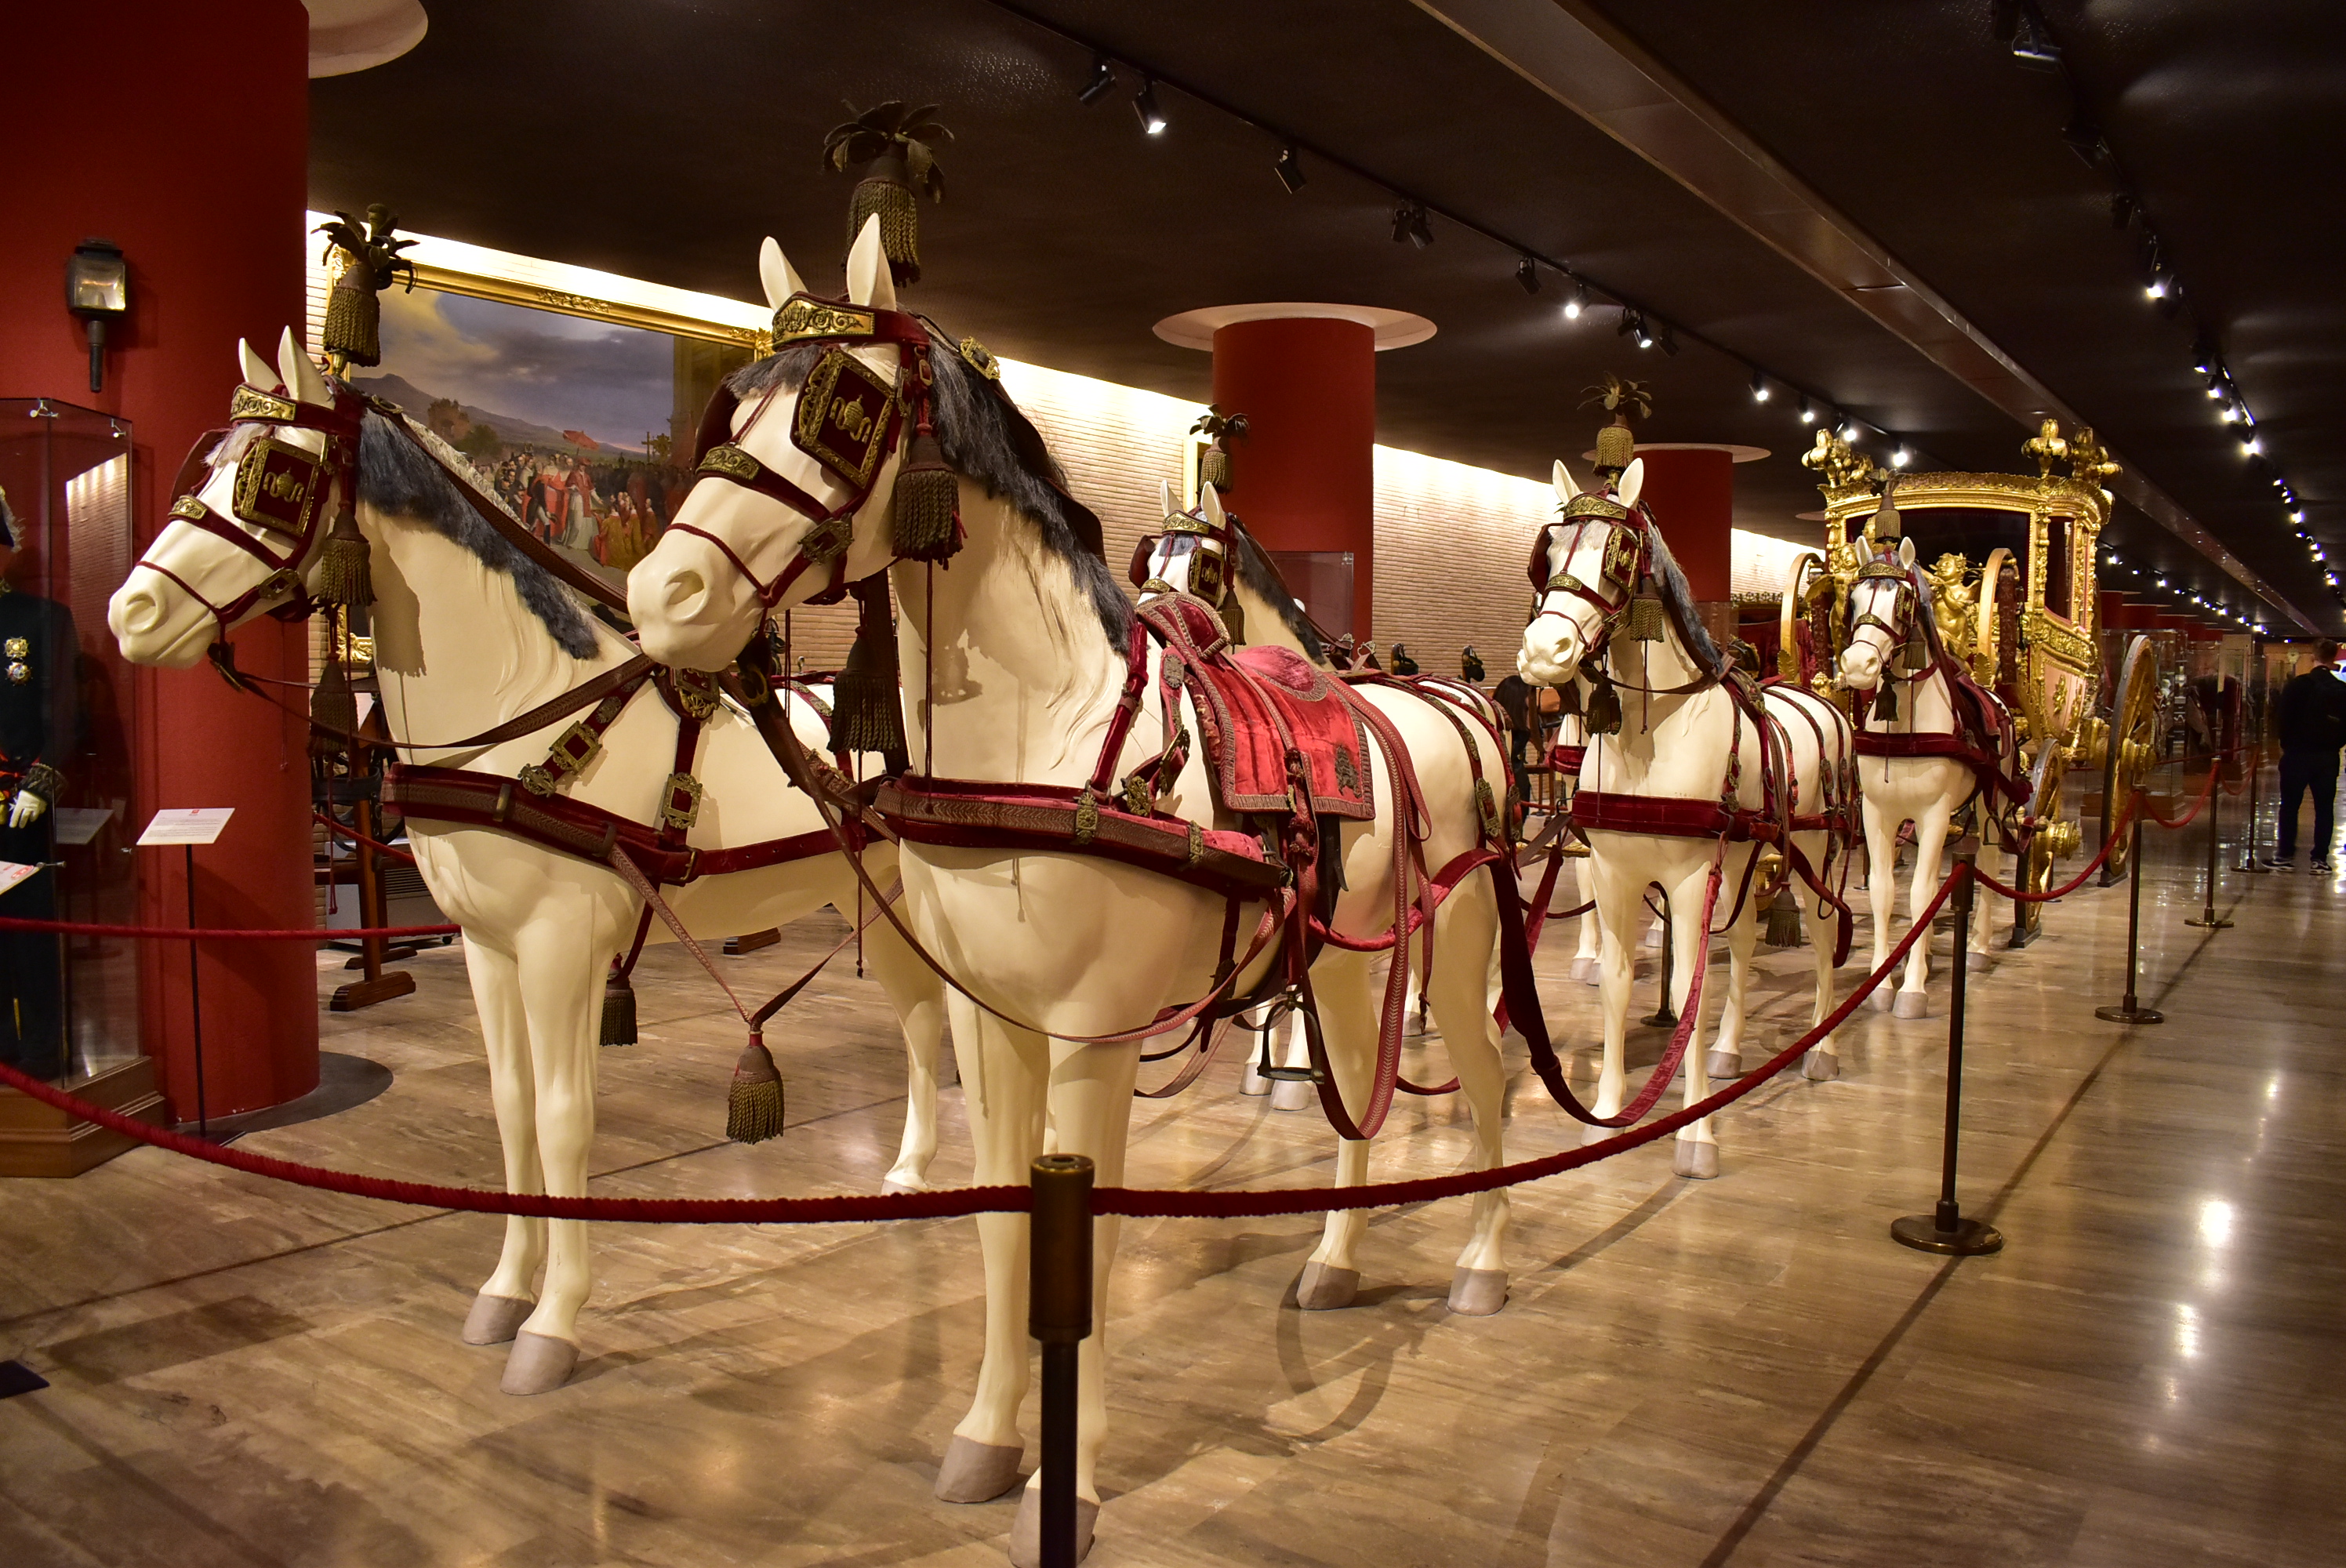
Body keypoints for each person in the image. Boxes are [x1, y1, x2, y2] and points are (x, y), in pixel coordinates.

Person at [2268, 639, 2346, 873]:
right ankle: (2319, 858)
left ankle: (2285, 856)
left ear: (2313, 656)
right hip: (2327, 756)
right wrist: (2335, 745)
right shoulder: (2341, 690)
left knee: (2290, 805)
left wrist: (2287, 745)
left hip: (2297, 754)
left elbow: (2282, 719)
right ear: (2333, 657)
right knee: (2324, 807)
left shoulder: (2298, 685)